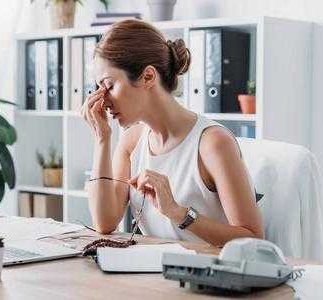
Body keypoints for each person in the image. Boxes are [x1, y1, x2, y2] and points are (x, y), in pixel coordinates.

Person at [81, 19, 263, 247]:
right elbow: (104, 223)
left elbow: (253, 238)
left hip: (207, 277)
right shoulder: (131, 142)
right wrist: (102, 139)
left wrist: (178, 212)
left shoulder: (213, 143)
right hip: (153, 276)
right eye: (98, 88)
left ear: (148, 77)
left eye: (109, 86)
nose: (103, 100)